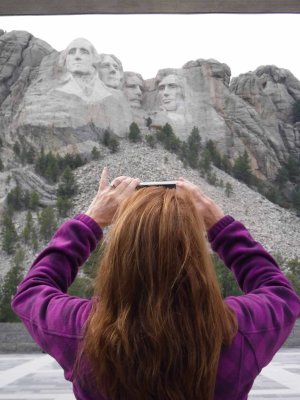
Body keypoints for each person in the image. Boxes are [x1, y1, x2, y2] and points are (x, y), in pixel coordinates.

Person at [12, 168, 300, 400]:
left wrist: (92, 221)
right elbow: (279, 292)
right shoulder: (238, 332)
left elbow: (32, 290)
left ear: (119, 257)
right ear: (196, 259)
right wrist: (217, 223)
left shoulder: (80, 332)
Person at [55, 38, 111, 102]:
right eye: (71, 53)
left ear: (94, 59)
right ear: (65, 60)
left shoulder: (108, 92)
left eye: (84, 52)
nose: (77, 56)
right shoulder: (57, 92)